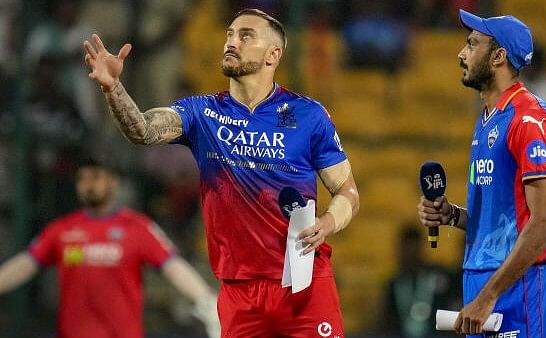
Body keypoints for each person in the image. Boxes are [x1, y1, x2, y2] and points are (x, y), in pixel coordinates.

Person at [83, 8, 359, 338]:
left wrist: (327, 222)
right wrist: (113, 88)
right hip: (238, 292)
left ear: (273, 55)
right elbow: (142, 130)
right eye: (229, 34)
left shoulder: (309, 116)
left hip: (303, 283)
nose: (231, 42)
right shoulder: (202, 112)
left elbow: (347, 192)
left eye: (246, 36)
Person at [417, 9, 546, 337]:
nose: (461, 53)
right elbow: (506, 221)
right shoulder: (489, 119)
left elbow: (545, 221)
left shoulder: (528, 120)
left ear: (498, 57)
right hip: (482, 279)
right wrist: (453, 215)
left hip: (518, 286)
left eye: (472, 44)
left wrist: (489, 296)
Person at [0, 159, 220, 338]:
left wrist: (206, 300)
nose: (89, 185)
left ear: (113, 183)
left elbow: (172, 266)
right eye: (82, 179)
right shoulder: (62, 229)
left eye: (96, 177)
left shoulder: (137, 227)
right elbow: (26, 264)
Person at [382, 226, 459, 338]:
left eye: (413, 248)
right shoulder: (394, 284)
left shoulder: (440, 276)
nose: (410, 254)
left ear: (421, 248)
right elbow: (387, 322)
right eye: (406, 249)